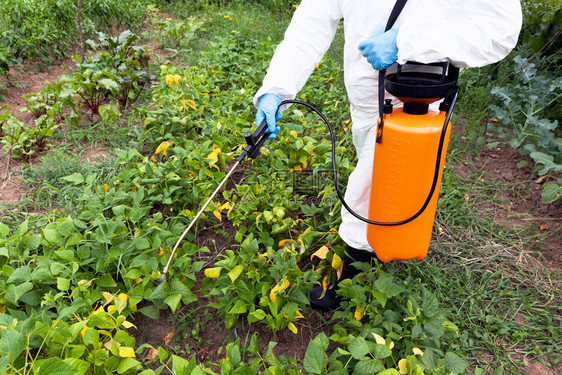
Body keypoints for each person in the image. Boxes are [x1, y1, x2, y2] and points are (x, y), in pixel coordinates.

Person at [254, 0, 522, 309]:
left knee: (376, 177)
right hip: (364, 90)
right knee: (380, 174)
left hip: (419, 88)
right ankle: (382, 236)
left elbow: (500, 29)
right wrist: (277, 88)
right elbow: (312, 22)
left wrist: (406, 41)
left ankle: (357, 263)